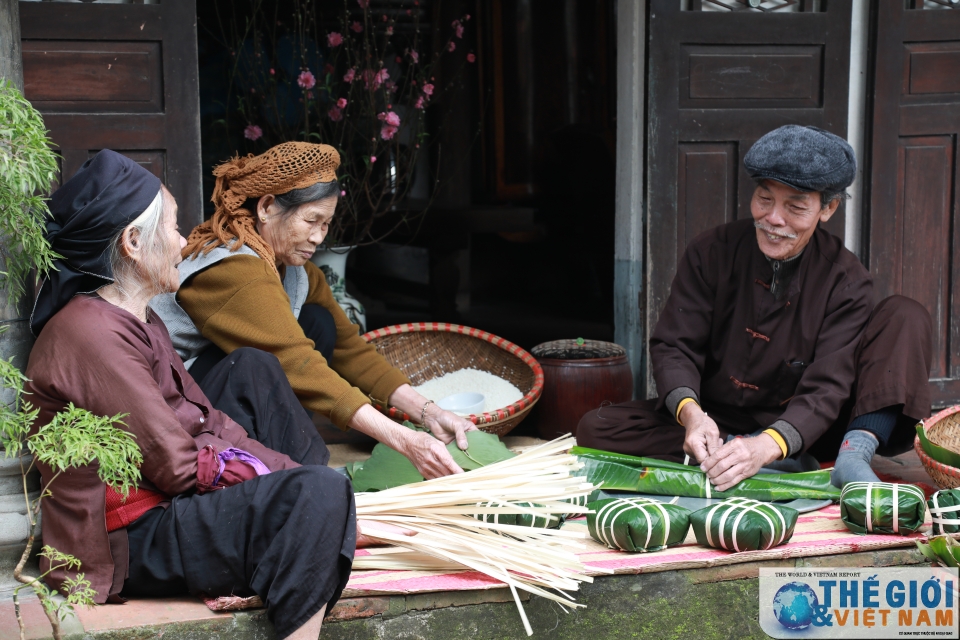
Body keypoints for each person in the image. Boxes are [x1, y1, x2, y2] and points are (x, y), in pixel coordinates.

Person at [26, 150, 393, 640]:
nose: (183, 242)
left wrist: (287, 475)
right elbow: (177, 466)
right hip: (128, 540)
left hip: (163, 505)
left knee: (313, 488)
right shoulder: (90, 334)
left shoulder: (140, 317)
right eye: (174, 229)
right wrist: (280, 483)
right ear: (133, 243)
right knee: (316, 496)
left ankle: (313, 519)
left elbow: (208, 419)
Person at [577, 125, 933, 490]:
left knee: (905, 314)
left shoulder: (847, 281)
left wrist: (768, 444)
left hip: (806, 429)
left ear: (828, 208)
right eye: (765, 200)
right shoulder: (712, 251)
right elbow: (674, 345)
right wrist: (693, 417)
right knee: (597, 427)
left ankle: (839, 458)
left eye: (795, 206)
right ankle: (733, 458)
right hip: (719, 421)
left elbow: (828, 387)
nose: (774, 219)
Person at [151, 142, 475, 480]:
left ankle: (281, 455)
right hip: (178, 415)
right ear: (266, 208)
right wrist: (405, 440)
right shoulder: (231, 268)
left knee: (317, 322)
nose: (319, 237)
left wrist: (430, 413)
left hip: (220, 397)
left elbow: (352, 350)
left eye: (326, 223)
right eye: (311, 220)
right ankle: (307, 478)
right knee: (255, 365)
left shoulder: (294, 271)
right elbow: (299, 363)